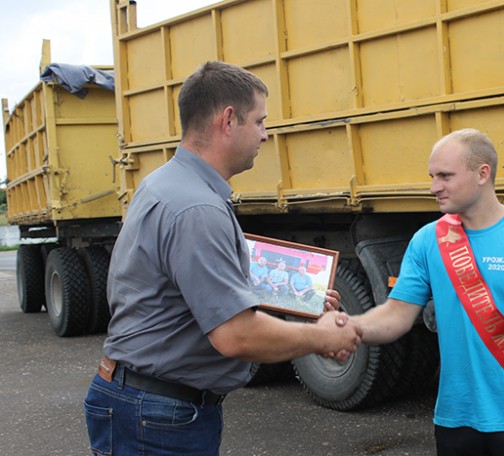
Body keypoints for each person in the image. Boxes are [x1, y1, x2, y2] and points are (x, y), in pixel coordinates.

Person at [83, 61, 362, 456]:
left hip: (146, 404)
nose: (265, 135)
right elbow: (235, 335)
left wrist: (295, 299)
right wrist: (322, 336)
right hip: (159, 417)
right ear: (228, 120)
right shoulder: (197, 209)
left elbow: (182, 288)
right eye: (260, 121)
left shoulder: (167, 183)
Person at [348, 129, 504, 456]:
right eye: (432, 176)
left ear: (482, 174)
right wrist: (347, 329)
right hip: (456, 421)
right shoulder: (426, 241)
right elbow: (396, 316)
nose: (435, 187)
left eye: (445, 176)